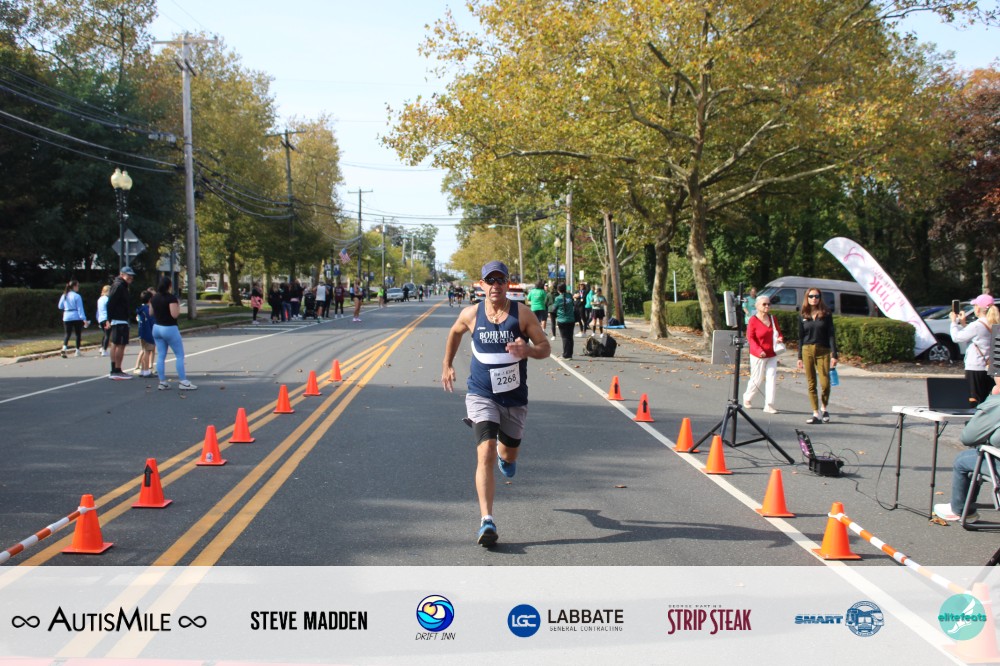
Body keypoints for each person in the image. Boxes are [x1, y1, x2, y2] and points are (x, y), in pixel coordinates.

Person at [442, 261, 550, 547]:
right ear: (482, 285)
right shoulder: (471, 314)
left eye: (500, 280)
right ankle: (486, 520)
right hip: (481, 394)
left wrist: (528, 350)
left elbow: (545, 348)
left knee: (507, 455)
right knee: (485, 452)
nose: (495, 285)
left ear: (507, 284)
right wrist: (447, 364)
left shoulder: (522, 314)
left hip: (514, 398)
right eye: (489, 281)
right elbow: (454, 332)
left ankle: (508, 458)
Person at [934, 379, 1000, 523]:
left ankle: (961, 509)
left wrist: (992, 398)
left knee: (963, 460)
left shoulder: (997, 403)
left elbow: (968, 437)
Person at [796, 287, 837, 424]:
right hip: (807, 349)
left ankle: (824, 408)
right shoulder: (802, 314)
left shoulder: (826, 313)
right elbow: (800, 337)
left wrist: (834, 354)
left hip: (823, 350)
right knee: (811, 383)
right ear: (807, 298)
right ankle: (815, 412)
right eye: (811, 296)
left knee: (825, 383)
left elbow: (831, 334)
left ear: (820, 298)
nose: (814, 299)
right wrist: (799, 357)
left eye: (817, 296)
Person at [950, 294, 999, 406]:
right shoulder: (995, 324)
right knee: (988, 401)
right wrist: (964, 324)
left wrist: (953, 322)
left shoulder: (976, 325)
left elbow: (956, 338)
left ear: (978, 308)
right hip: (991, 368)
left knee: (974, 400)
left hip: (975, 367)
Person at [150, 276, 197, 391]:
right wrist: (178, 306)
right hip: (169, 328)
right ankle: (183, 381)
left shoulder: (154, 298)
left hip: (156, 327)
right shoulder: (171, 298)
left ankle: (162, 382)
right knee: (179, 355)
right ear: (169, 286)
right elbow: (174, 315)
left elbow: (150, 312)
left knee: (161, 355)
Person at [742, 296, 782, 414]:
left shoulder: (773, 318)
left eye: (768, 304)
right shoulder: (753, 320)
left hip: (772, 353)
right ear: (757, 306)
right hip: (758, 354)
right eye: (764, 304)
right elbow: (750, 338)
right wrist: (759, 350)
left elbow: (778, 332)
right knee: (757, 379)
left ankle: (769, 405)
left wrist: (780, 338)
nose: (767, 306)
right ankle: (747, 397)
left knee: (772, 378)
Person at [105, 266, 135, 380]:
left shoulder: (121, 285)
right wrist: (108, 319)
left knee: (115, 344)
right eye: (128, 275)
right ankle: (116, 370)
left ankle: (115, 369)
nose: (131, 277)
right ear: (122, 274)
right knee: (120, 345)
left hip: (119, 318)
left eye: (131, 275)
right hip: (119, 319)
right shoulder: (119, 286)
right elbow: (110, 303)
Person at [58, 279, 89, 357]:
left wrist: (66, 307)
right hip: (76, 316)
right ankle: (77, 351)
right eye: (78, 286)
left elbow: (60, 306)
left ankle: (64, 348)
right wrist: (84, 319)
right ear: (74, 286)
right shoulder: (77, 296)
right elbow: (80, 309)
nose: (78, 287)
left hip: (67, 316)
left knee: (67, 333)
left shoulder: (64, 295)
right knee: (78, 334)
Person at [134, 289, 155, 377]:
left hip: (142, 333)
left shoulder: (141, 309)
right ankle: (146, 370)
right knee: (147, 351)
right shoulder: (148, 310)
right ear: (150, 299)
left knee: (144, 350)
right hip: (148, 333)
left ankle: (143, 369)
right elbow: (152, 322)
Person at [554, 283, 577, 359]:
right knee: (570, 337)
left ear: (558, 290)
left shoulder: (558, 298)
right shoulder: (570, 296)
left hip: (562, 320)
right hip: (571, 319)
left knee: (565, 338)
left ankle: (566, 355)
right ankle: (570, 354)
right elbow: (573, 305)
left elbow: (554, 308)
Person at [96, 284, 111, 357]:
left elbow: (98, 310)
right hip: (106, 318)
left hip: (101, 318)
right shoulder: (107, 299)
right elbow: (109, 310)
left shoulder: (100, 299)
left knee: (105, 334)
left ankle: (102, 348)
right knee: (107, 335)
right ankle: (104, 350)